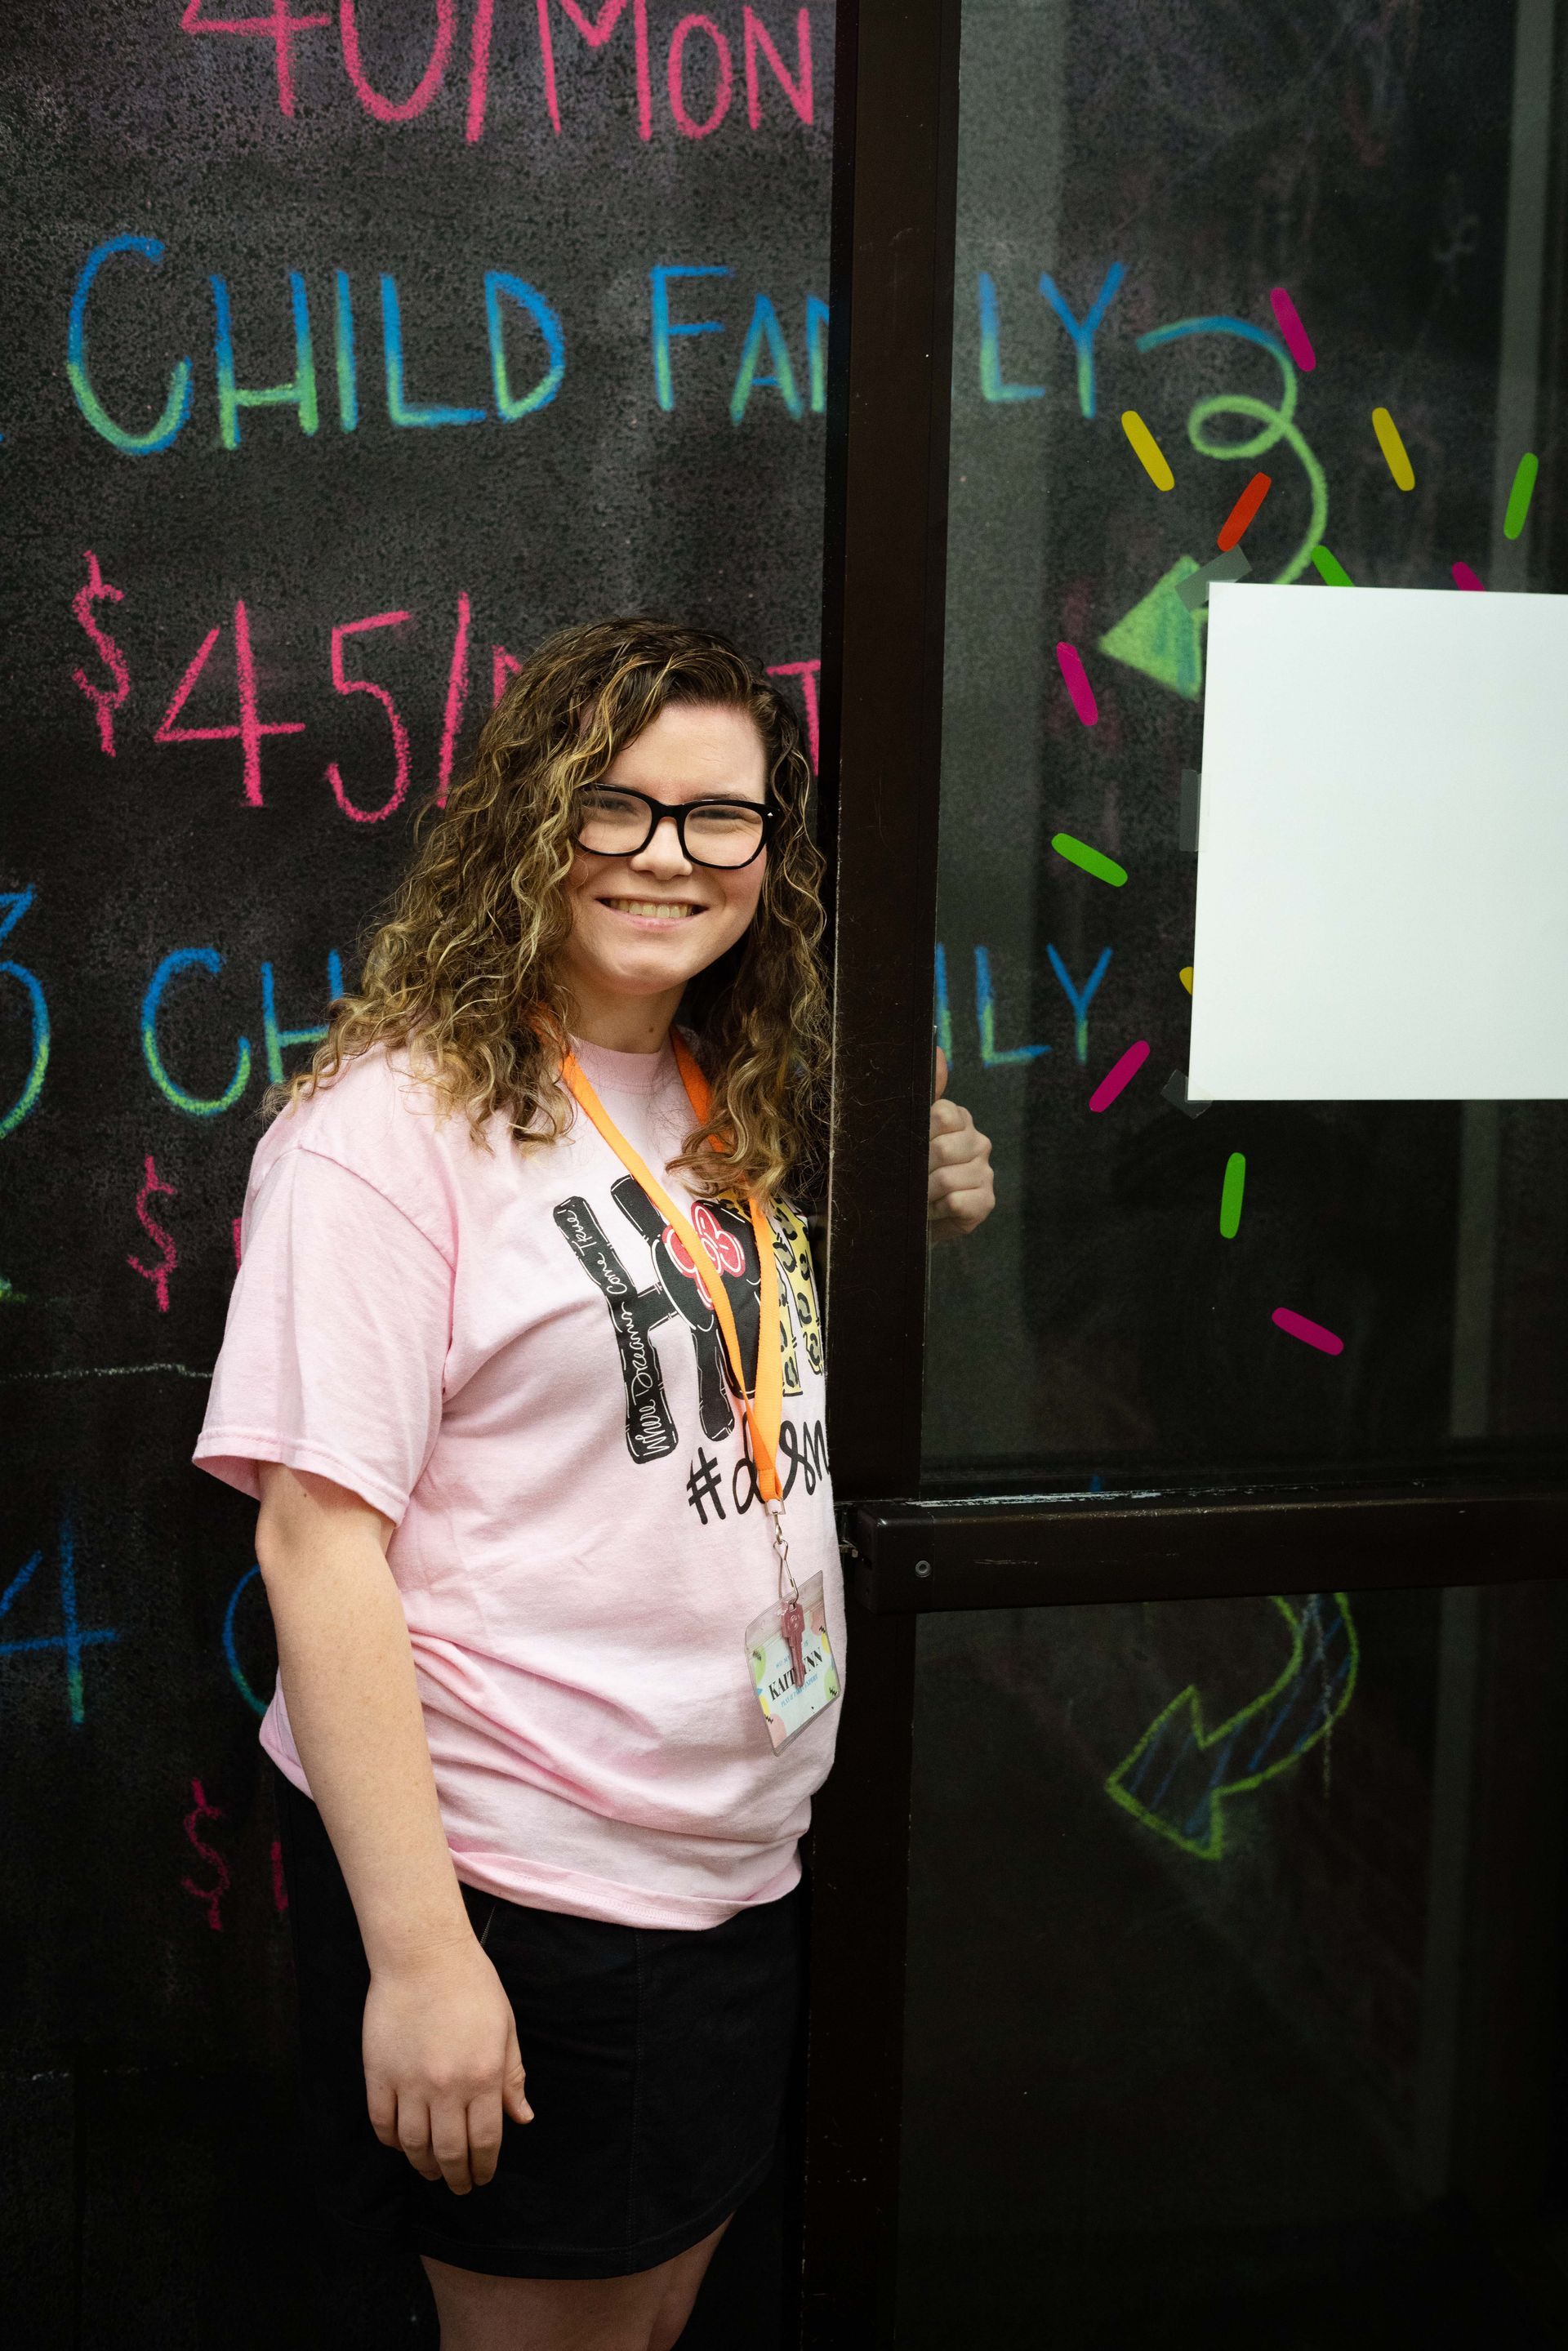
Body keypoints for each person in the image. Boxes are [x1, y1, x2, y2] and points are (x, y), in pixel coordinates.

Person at [193, 617, 994, 2351]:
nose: (666, 857)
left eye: (723, 818)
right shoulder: (386, 1137)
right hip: (524, 1885)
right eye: (614, 807)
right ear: (529, 822)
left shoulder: (745, 1091)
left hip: (731, 1866)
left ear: (772, 856)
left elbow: (702, 1351)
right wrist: (422, 1960)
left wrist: (901, 1193)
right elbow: (315, 1544)